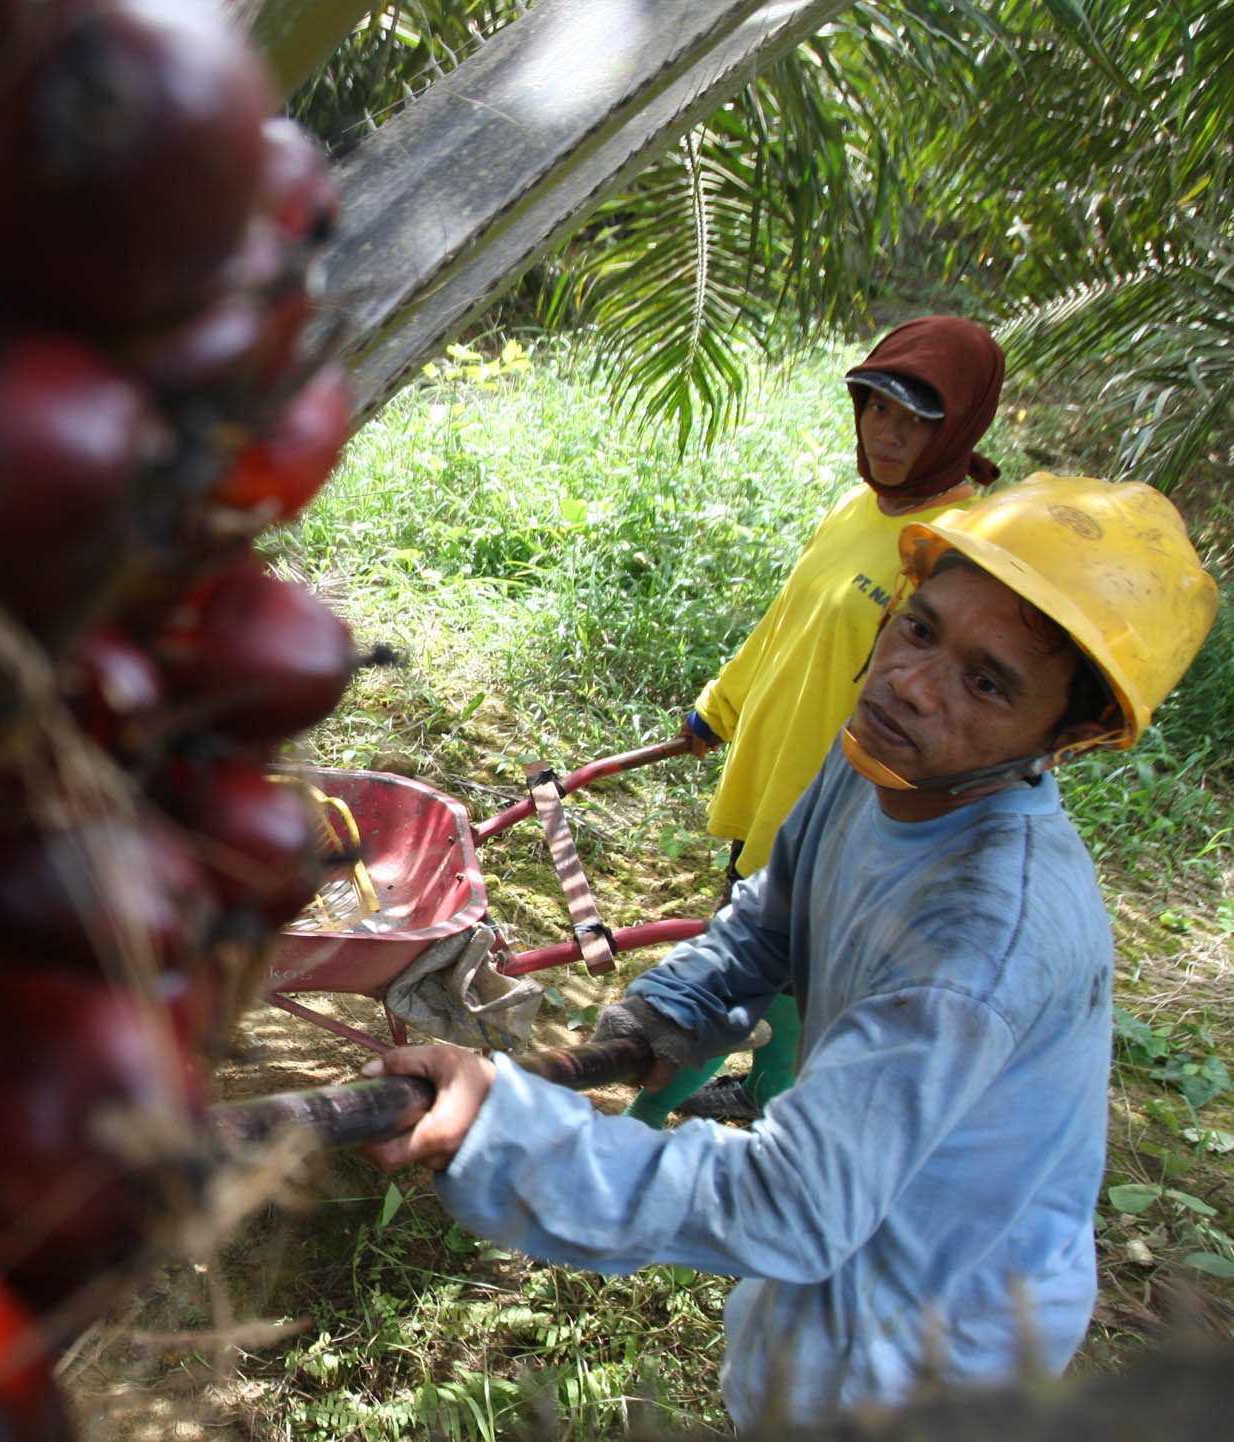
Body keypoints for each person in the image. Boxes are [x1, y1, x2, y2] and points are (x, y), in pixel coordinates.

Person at [360, 474, 1221, 1430]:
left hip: (945, 1343)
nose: (910, 681)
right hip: (844, 1264)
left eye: (987, 681)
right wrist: (673, 1009)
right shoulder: (882, 763)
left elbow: (794, 1203)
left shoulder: (981, 936)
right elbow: (775, 913)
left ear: (1070, 733)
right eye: (920, 628)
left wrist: (510, 1134)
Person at [636, 314, 1007, 1127]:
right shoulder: (858, 506)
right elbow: (787, 622)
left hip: (839, 816)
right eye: (878, 408)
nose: (890, 435)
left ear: (963, 427)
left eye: (919, 421)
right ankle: (768, 1093)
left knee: (741, 970)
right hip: (779, 777)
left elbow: (938, 722)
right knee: (778, 966)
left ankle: (643, 1124)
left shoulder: (955, 552)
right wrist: (719, 706)